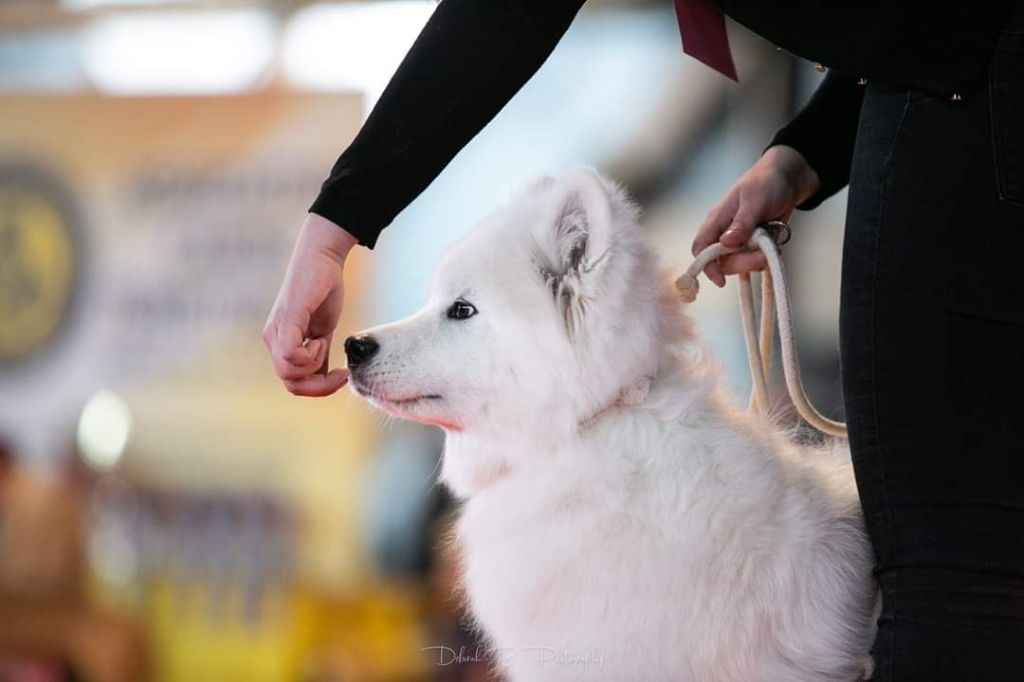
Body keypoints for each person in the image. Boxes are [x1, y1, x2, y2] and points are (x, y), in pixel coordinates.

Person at [264, 1, 1024, 677]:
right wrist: (802, 158)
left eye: (462, 312)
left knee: (949, 582)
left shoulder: (663, 518)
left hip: (972, 112)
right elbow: (928, 32)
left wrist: (336, 227)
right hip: (945, 89)